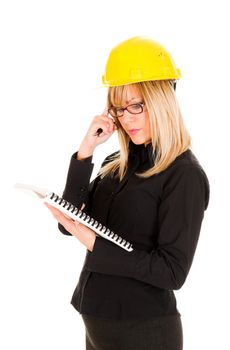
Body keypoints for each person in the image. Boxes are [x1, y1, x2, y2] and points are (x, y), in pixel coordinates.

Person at [45, 37, 210, 350]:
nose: (126, 117)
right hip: (97, 321)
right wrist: (86, 151)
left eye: (136, 105)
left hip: (144, 331)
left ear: (163, 99)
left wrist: (93, 242)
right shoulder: (115, 164)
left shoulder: (184, 174)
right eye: (119, 108)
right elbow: (67, 225)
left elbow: (172, 272)